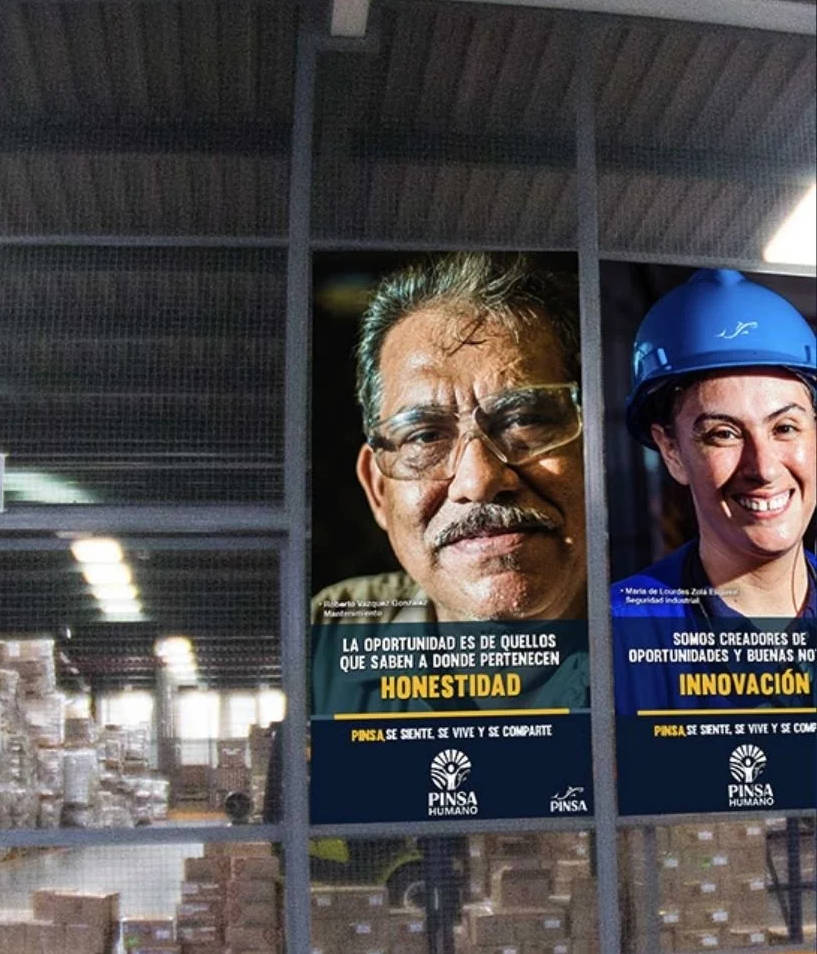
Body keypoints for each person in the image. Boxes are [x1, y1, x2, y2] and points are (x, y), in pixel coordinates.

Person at [313, 253, 587, 626]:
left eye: (523, 420)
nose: (479, 481)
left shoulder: (673, 632)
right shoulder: (326, 636)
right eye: (426, 436)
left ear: (597, 451)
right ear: (378, 490)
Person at [612, 269, 817, 713]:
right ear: (672, 452)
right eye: (723, 434)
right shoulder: (621, 634)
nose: (762, 467)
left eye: (785, 427)